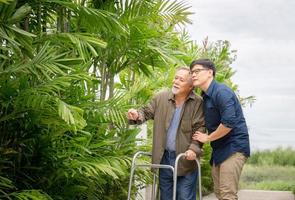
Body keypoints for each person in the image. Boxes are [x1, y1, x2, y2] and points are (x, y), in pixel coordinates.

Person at [127, 67, 205, 200]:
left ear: (191, 86)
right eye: (176, 78)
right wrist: (136, 115)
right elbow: (146, 112)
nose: (176, 81)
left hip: (185, 159)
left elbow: (200, 128)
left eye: (181, 80)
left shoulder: (198, 103)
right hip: (165, 158)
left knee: (184, 197)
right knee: (166, 197)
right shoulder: (161, 97)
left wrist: (194, 149)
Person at [190, 58, 250, 200]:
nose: (193, 75)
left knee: (227, 194)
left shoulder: (221, 92)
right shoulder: (205, 97)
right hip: (219, 150)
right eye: (192, 72)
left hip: (234, 148)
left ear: (210, 72)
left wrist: (208, 138)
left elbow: (229, 122)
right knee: (219, 193)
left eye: (197, 71)